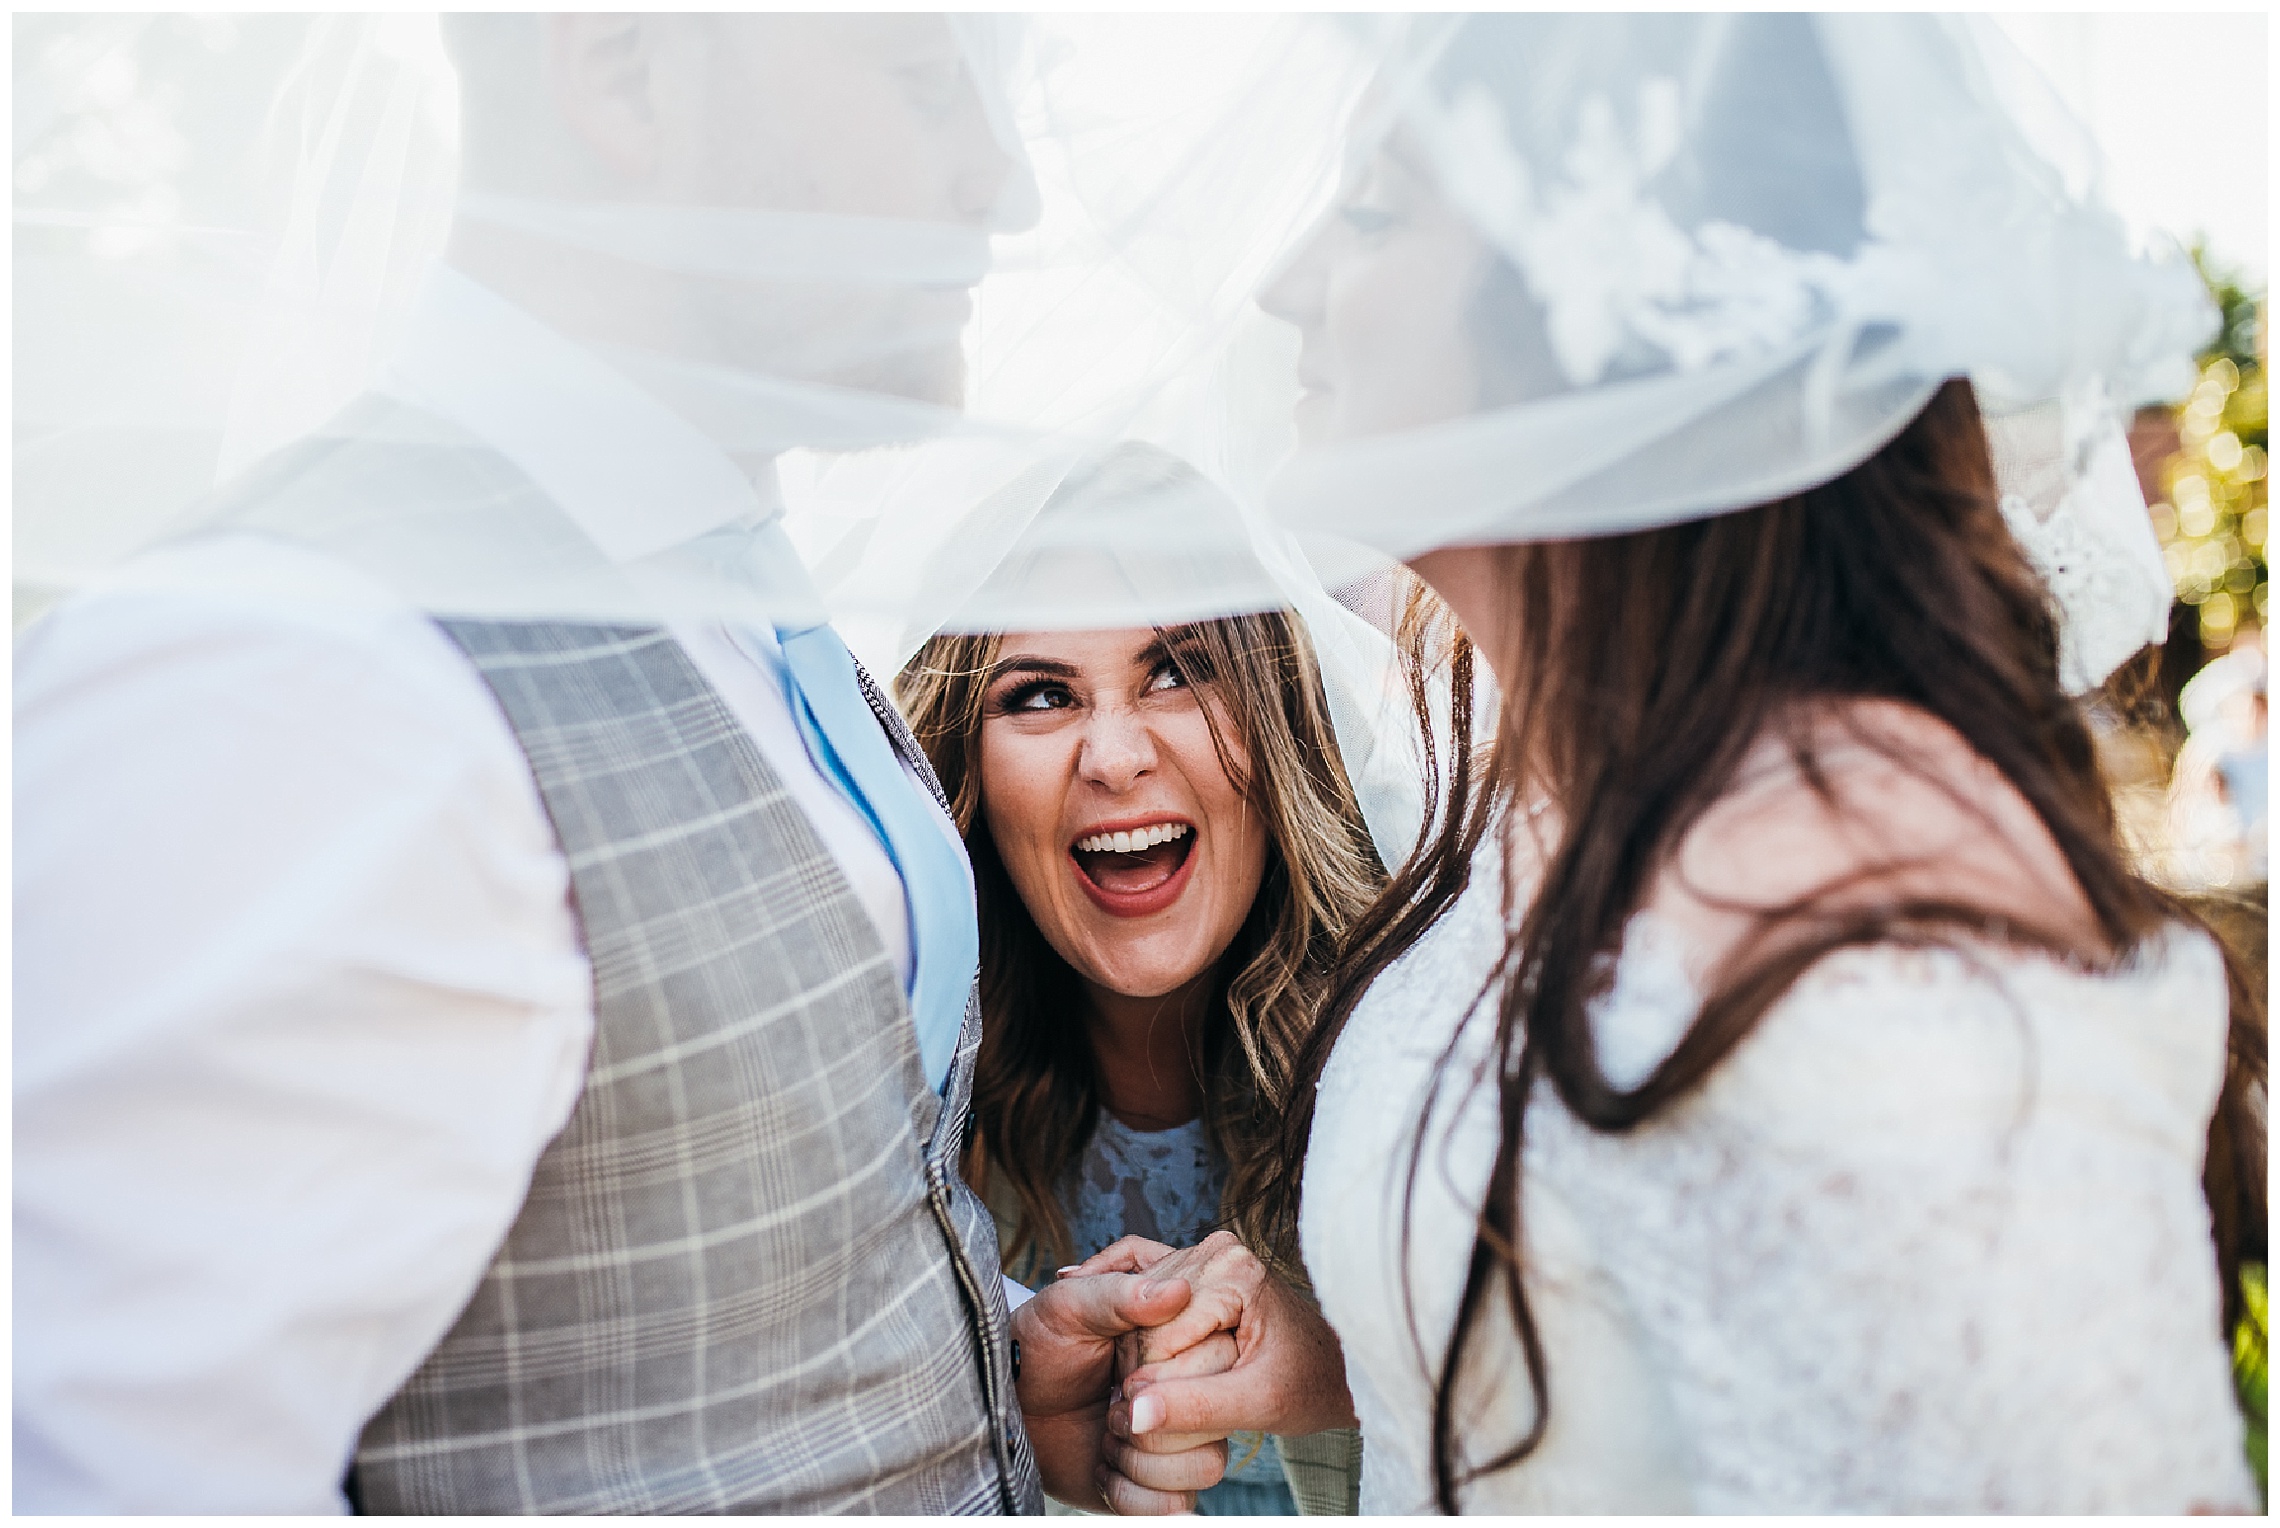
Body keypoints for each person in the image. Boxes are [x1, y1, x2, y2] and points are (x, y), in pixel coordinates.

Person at [15, 14, 1214, 1512]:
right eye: (928, 83)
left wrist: (981, 1404)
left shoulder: (738, 593)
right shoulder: (297, 668)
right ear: (623, 73)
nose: (1006, 183)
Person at [1087, 13, 2265, 1514]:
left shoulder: (1871, 913)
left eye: (1375, 213)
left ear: (1594, 325)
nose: (1285, 283)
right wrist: (1372, 1350)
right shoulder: (1560, 794)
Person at [897, 446, 1380, 1514]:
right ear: (964, 767)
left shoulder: (1424, 1044)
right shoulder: (909, 1104)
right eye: (1039, 695)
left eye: (1178, 669)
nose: (1114, 757)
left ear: (1279, 711)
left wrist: (1352, 1362)